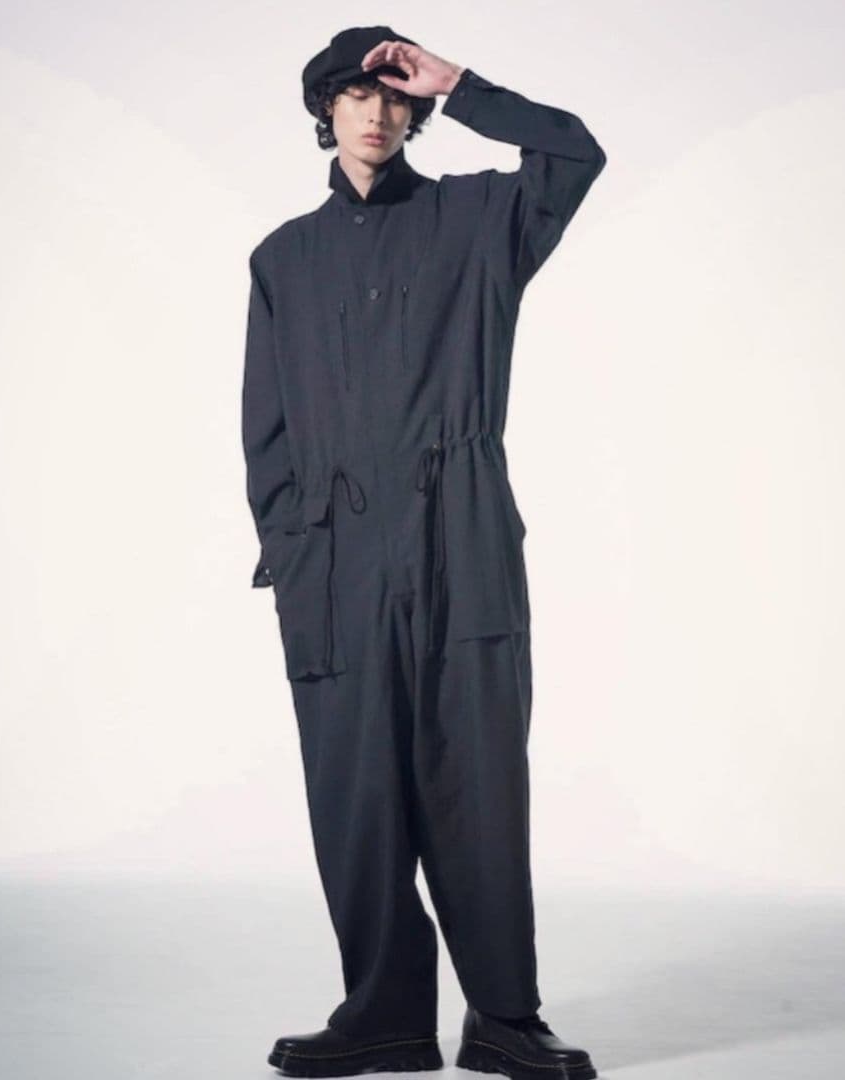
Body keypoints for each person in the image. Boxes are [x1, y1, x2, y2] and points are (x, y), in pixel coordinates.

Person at [242, 25, 607, 1080]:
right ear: (325, 110)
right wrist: (292, 553)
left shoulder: (479, 220)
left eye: (397, 95)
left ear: (416, 111)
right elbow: (267, 427)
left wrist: (462, 83)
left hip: (461, 540)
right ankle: (384, 1016)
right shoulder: (283, 258)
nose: (377, 111)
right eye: (357, 93)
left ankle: (503, 1018)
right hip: (335, 557)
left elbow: (573, 153)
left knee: (475, 782)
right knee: (355, 796)